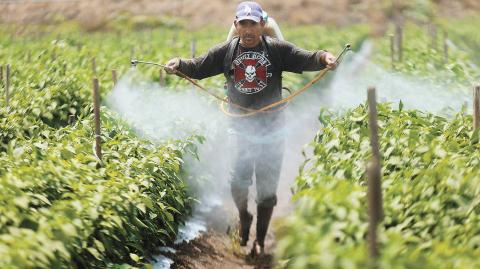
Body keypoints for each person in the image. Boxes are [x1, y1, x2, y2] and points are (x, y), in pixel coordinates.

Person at [165, 1, 337, 255]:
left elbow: (306, 57)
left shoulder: (277, 49)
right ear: (236, 25)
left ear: (262, 25)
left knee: (267, 192)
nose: (248, 29)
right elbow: (198, 67)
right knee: (238, 182)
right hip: (240, 127)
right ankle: (244, 217)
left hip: (272, 129)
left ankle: (259, 238)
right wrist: (178, 64)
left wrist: (325, 57)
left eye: (252, 24)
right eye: (243, 23)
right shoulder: (226, 51)